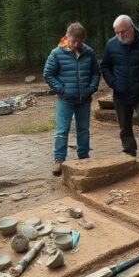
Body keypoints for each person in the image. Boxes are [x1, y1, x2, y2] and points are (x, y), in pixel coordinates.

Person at [101, 15, 139, 159]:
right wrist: (114, 83)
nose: (120, 35)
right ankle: (129, 152)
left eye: (123, 31)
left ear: (132, 27)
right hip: (120, 94)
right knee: (124, 126)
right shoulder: (111, 44)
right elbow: (105, 65)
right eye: (117, 32)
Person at [43, 22, 100, 176]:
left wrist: (91, 87)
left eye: (79, 42)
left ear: (83, 40)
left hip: (84, 99)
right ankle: (59, 160)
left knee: (83, 129)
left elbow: (96, 72)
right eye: (73, 41)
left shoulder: (89, 52)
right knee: (62, 130)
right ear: (67, 37)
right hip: (65, 99)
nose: (76, 45)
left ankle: (84, 156)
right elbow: (48, 74)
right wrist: (61, 89)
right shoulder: (56, 53)